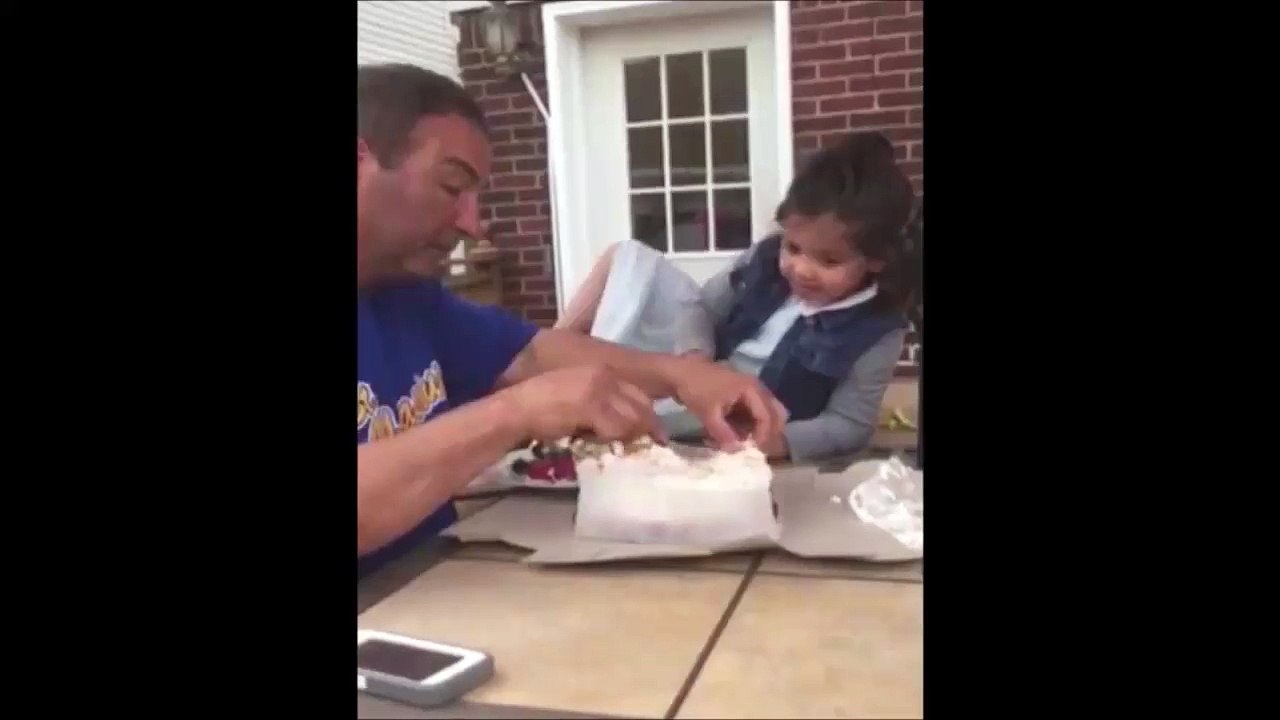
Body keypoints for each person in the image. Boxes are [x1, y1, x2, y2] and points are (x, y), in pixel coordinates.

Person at [356, 64, 785, 578]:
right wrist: (516, 413)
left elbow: (530, 352)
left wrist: (685, 376)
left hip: (434, 585)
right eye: (452, 186)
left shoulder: (404, 292)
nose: (472, 223)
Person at [558, 132, 919, 463]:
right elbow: (698, 306)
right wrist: (695, 359)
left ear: (876, 260)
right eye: (793, 247)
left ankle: (572, 397)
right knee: (629, 257)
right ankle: (549, 359)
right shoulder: (764, 261)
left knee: (621, 412)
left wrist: (777, 442)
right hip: (695, 371)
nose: (801, 269)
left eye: (829, 260)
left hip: (739, 416)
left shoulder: (878, 328)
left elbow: (848, 425)